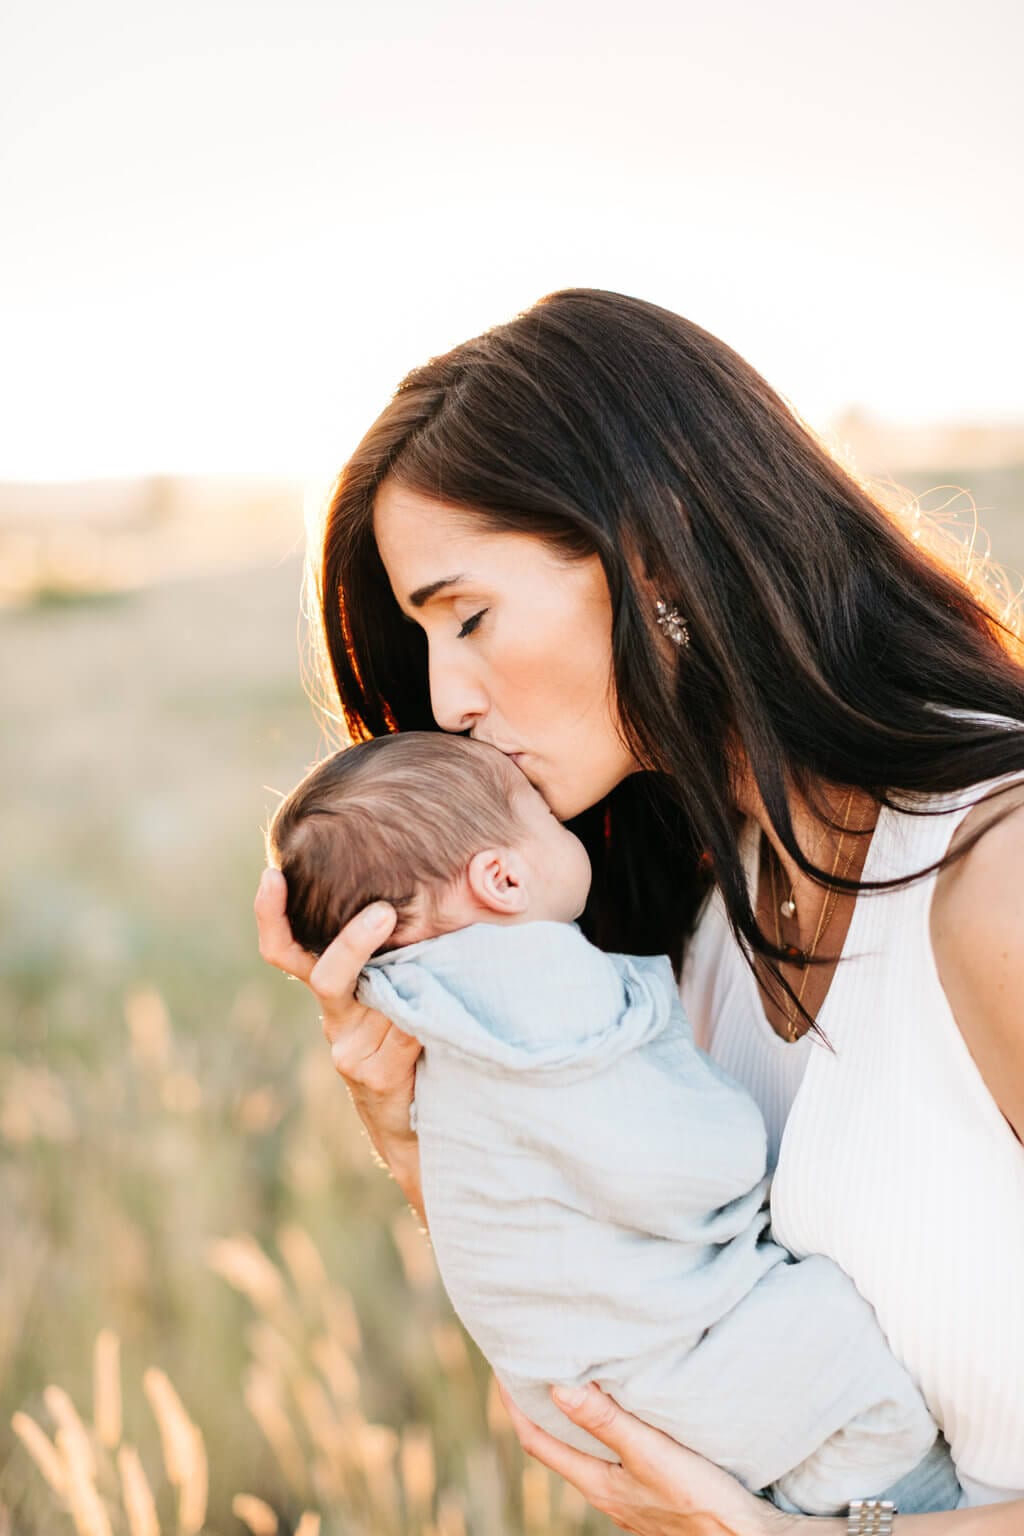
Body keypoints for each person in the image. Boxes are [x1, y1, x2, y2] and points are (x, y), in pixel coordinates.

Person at [256, 288, 1024, 1534]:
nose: (445, 697)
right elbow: (637, 1314)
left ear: (654, 555)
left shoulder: (996, 881)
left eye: (468, 615)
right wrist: (419, 1128)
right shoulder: (700, 935)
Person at [265, 730, 957, 1516]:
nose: (566, 826)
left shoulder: (428, 1012)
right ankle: (877, 1506)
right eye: (543, 819)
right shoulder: (541, 989)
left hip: (589, 1400)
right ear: (502, 877)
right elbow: (669, 1158)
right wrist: (747, 1155)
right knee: (850, 1372)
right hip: (670, 1370)